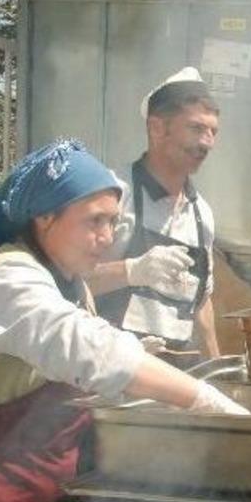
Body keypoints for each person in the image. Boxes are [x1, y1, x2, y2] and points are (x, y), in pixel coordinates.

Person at [0, 140, 249, 502]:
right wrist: (203, 399)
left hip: (38, 491)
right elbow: (90, 350)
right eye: (94, 221)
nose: (106, 238)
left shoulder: (67, 278)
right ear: (45, 217)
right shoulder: (5, 282)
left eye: (113, 222)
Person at [89, 67, 221, 365]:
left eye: (213, 132)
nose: (207, 143)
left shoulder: (202, 214)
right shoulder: (111, 194)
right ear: (157, 128)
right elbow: (66, 282)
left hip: (172, 378)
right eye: (197, 128)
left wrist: (217, 371)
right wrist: (132, 270)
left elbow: (201, 303)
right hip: (107, 373)